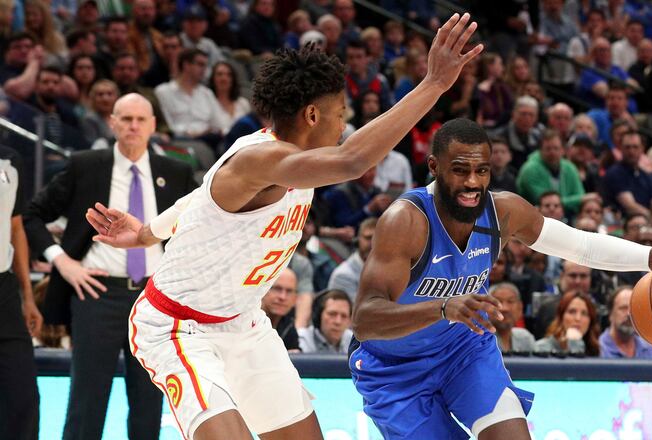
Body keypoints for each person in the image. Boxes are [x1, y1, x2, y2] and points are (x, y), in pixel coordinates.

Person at [85, 14, 484, 440]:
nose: (344, 125)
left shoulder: (277, 161)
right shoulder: (260, 160)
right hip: (178, 326)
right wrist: (433, 84)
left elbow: (197, 199)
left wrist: (146, 233)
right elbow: (353, 160)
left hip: (243, 323)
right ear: (312, 114)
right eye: (340, 114)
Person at [351, 118, 652, 440]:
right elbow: (365, 320)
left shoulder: (502, 212)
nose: (473, 182)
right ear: (434, 167)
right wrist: (442, 308)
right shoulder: (405, 221)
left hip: (462, 350)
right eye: (460, 170)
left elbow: (581, 246)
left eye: (481, 170)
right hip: (395, 369)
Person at [23, 93, 197, 440]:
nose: (133, 126)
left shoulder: (175, 172)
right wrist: (63, 263)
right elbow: (32, 214)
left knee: (150, 402)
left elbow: (197, 227)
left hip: (154, 299)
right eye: (126, 118)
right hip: (97, 294)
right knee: (87, 402)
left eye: (140, 119)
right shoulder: (86, 165)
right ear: (112, 122)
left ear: (152, 125)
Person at [0, 145, 42, 440]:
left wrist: (28, 296)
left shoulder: (10, 159)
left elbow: (16, 227)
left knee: (22, 397)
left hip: (4, 289)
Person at [599, 286, 652, 358]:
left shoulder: (651, 349)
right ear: (610, 314)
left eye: (633, 308)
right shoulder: (598, 348)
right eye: (623, 308)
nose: (629, 314)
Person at [327, 217, 376, 301]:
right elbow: (358, 312)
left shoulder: (389, 270)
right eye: (368, 238)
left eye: (377, 239)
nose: (372, 243)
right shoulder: (343, 275)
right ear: (357, 240)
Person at [297, 289, 354, 354]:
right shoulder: (301, 340)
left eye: (344, 316)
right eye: (332, 314)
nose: (338, 322)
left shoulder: (354, 342)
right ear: (318, 316)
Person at [261, 268, 301, 351]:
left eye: (289, 291)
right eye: (277, 289)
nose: (282, 297)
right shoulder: (247, 322)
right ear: (262, 290)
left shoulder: (288, 325)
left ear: (295, 298)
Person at [490, 282, 535, 354]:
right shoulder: (478, 339)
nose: (504, 308)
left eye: (510, 301)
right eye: (497, 301)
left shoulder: (525, 338)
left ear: (520, 308)